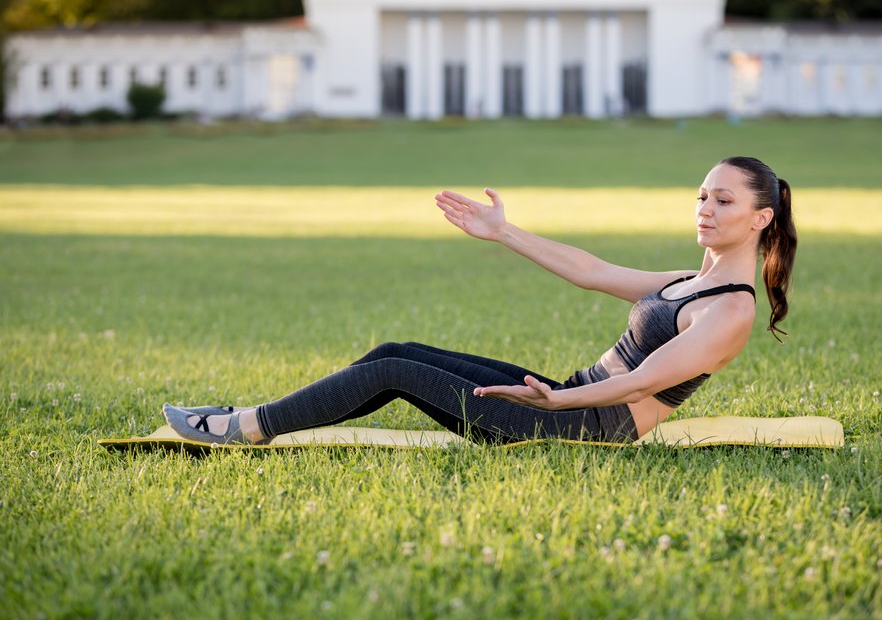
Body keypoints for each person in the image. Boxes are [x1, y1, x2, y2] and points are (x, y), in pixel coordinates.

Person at [163, 156, 796, 445]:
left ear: (761, 217)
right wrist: (502, 232)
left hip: (586, 428)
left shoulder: (732, 309)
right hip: (569, 398)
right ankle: (267, 417)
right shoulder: (690, 279)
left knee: (391, 372)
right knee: (396, 351)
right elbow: (591, 270)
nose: (705, 209)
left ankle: (247, 427)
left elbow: (641, 385)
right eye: (701, 195)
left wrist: (557, 400)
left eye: (723, 201)